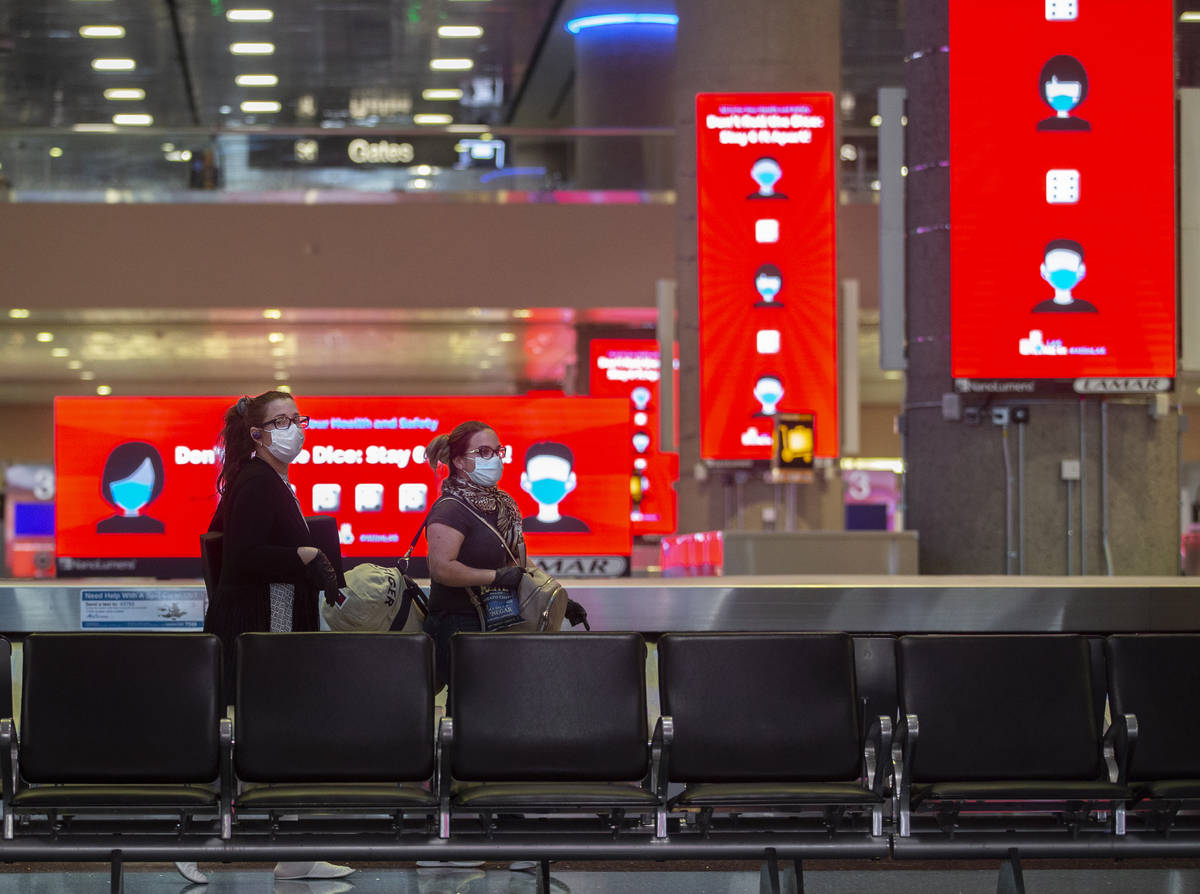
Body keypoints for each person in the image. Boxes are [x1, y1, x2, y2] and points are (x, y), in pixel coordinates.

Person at [178, 390, 353, 886]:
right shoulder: (257, 482)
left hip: (274, 624)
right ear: (257, 433)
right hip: (261, 628)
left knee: (285, 739)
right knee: (253, 737)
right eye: (281, 420)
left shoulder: (270, 481)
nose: (293, 427)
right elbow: (242, 558)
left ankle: (295, 853)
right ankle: (193, 840)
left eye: (297, 418)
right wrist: (301, 555)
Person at [519, 442, 590, 532]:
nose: (548, 481)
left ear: (570, 481)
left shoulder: (579, 528)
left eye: (556, 473)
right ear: (525, 480)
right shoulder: (518, 530)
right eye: (540, 472)